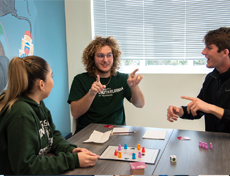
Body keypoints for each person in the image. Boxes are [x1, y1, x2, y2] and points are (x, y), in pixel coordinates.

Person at [0, 56, 100, 175]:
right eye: (51, 76)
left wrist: (70, 150)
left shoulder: (38, 103)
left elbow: (51, 134)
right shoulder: (21, 113)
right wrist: (73, 160)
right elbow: (25, 167)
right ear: (41, 84)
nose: (52, 82)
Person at [68, 36, 145, 133]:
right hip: (88, 133)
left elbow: (140, 104)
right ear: (92, 58)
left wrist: (134, 87)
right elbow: (75, 113)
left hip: (116, 133)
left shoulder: (123, 79)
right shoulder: (80, 80)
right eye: (100, 56)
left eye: (109, 55)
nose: (105, 60)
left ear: (114, 57)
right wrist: (91, 93)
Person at [167, 27, 230, 133]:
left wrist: (212, 108)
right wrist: (180, 111)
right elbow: (199, 109)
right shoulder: (211, 78)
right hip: (213, 143)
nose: (203, 52)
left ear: (225, 52)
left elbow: (208, 107)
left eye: (209, 48)